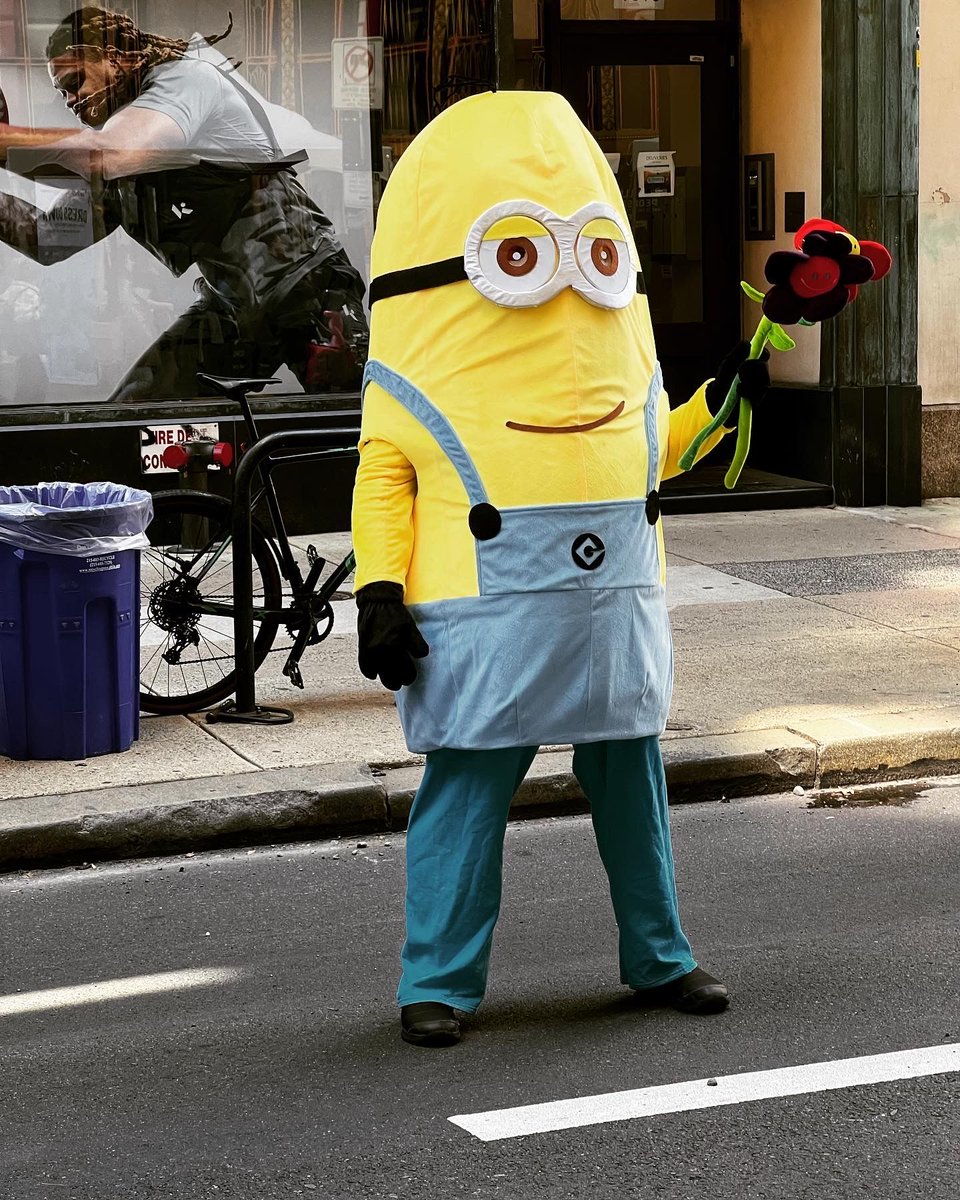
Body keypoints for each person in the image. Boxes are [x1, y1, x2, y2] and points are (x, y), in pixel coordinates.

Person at [351, 89, 769, 1048]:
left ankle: (659, 956)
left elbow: (652, 451)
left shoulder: (622, 342)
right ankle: (438, 981)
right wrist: (378, 591)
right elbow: (385, 476)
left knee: (632, 779)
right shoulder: (423, 346)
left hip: (605, 605)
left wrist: (727, 394)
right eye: (517, 255)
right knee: (466, 788)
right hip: (483, 608)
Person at [0, 6, 367, 402]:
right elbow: (45, 237)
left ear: (116, 56)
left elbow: (108, 154)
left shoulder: (186, 79)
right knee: (134, 415)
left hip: (307, 282)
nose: (71, 100)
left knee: (351, 422)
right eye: (63, 92)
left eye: (76, 82)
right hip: (233, 306)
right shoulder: (117, 168)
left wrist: (5, 143)